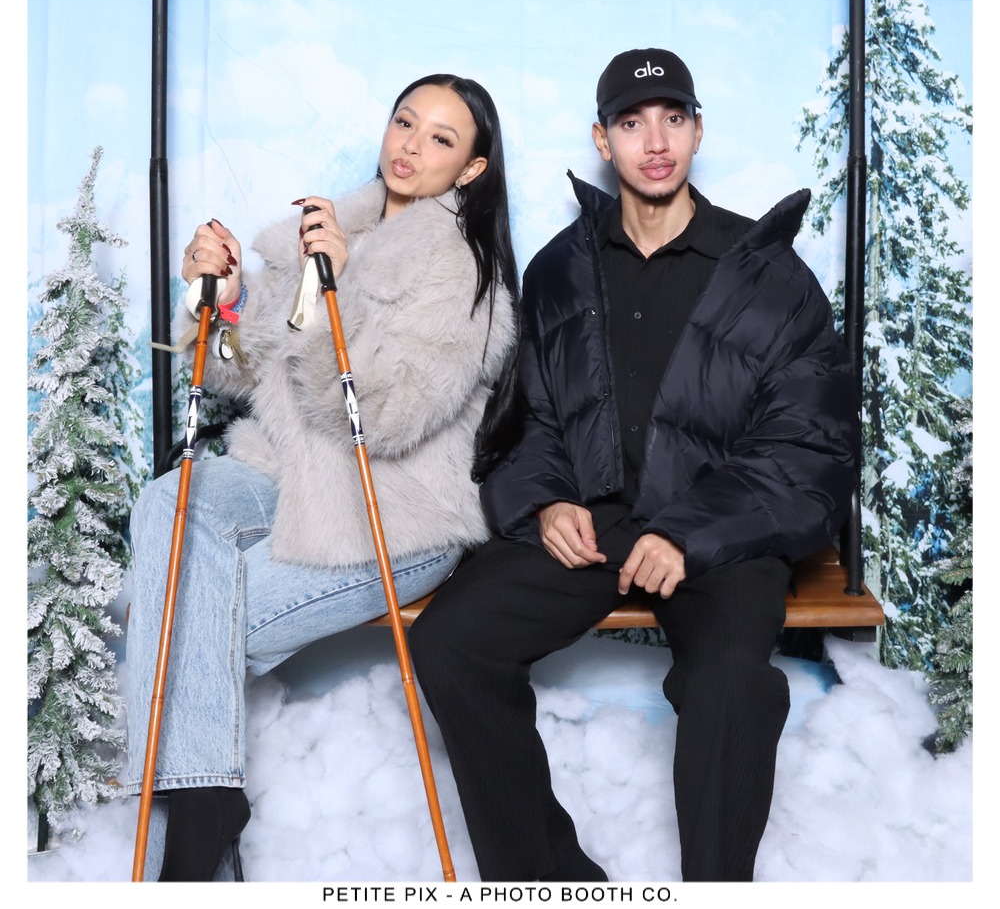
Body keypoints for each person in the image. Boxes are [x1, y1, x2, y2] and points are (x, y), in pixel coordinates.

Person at [410, 48, 860, 883]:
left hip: (723, 529)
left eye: (673, 119)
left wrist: (690, 533)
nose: (656, 142)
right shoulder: (561, 268)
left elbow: (809, 449)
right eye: (631, 122)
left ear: (697, 132)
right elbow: (529, 417)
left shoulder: (769, 277)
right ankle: (550, 885)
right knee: (451, 642)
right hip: (598, 522)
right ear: (602, 140)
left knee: (730, 685)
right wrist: (547, 501)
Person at [124, 74, 519, 881]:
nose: (411, 145)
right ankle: (209, 802)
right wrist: (222, 301)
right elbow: (238, 374)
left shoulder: (464, 276)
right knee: (172, 499)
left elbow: (380, 416)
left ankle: (197, 824)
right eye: (405, 122)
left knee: (189, 616)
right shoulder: (331, 231)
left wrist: (336, 287)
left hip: (394, 519)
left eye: (441, 138)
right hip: (285, 481)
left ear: (473, 168)